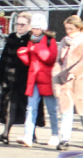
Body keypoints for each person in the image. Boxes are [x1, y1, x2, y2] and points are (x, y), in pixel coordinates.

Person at [54, 16, 83, 149]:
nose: (68, 31)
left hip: (81, 81)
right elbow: (58, 61)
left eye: (71, 29)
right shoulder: (64, 42)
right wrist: (56, 74)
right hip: (64, 80)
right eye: (66, 29)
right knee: (66, 110)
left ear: (78, 28)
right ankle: (64, 139)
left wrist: (74, 73)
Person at [18, 13, 59, 148]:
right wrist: (24, 55)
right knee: (31, 108)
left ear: (43, 28)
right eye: (33, 28)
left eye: (37, 28)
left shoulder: (49, 41)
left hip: (46, 78)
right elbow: (31, 61)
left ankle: (55, 134)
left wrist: (38, 49)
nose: (34, 30)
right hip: (34, 78)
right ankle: (28, 135)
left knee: (51, 109)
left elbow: (51, 59)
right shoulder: (31, 40)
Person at [0, 12, 32, 144]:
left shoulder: (31, 39)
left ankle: (31, 133)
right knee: (10, 105)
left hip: (26, 79)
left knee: (28, 107)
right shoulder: (11, 38)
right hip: (10, 79)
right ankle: (5, 133)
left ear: (29, 25)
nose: (19, 27)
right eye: (17, 24)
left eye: (22, 24)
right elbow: (3, 58)